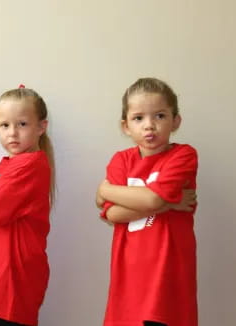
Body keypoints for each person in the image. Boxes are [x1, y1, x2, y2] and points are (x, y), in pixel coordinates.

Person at [95, 78, 198, 326]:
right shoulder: (121, 160)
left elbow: (151, 199)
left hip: (168, 267)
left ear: (176, 121)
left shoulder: (183, 155)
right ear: (126, 126)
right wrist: (169, 203)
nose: (149, 125)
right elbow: (113, 215)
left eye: (160, 116)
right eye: (139, 118)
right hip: (130, 269)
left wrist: (106, 190)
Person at [0, 86, 55, 326]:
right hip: (1, 270)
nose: (12, 133)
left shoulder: (30, 165)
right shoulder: (7, 165)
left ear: (41, 127)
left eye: (22, 124)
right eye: (5, 125)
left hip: (15, 272)